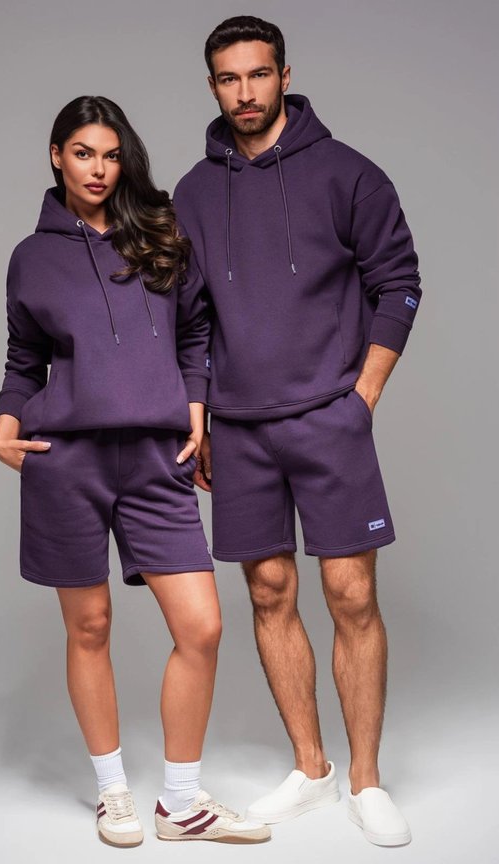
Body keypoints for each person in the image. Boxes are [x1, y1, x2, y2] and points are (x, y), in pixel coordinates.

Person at [0, 95, 270, 847]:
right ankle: (113, 792)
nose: (98, 169)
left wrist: (196, 410)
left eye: (111, 155)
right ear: (57, 155)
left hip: (155, 460)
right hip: (67, 462)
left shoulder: (159, 234)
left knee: (202, 627)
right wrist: (6, 423)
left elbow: (196, 333)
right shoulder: (31, 256)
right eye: (83, 153)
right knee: (90, 626)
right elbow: (24, 358)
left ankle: (180, 803)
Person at [173, 16, 421, 848]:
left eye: (258, 74)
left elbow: (399, 282)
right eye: (228, 78)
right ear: (213, 85)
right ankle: (312, 769)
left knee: (352, 595)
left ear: (284, 75)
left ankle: (366, 780)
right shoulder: (193, 194)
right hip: (240, 430)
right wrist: (201, 416)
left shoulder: (350, 174)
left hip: (328, 418)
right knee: (269, 593)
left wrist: (363, 396)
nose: (244, 92)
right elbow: (192, 320)